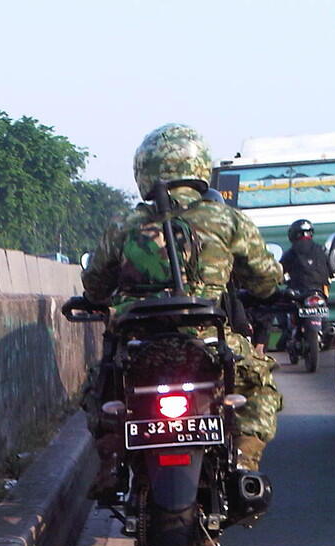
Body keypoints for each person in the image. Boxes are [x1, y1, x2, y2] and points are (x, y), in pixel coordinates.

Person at [81, 124, 284, 482]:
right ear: (200, 167)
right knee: (259, 386)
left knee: (103, 388)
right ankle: (243, 461)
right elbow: (266, 278)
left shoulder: (124, 223)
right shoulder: (227, 220)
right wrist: (270, 292)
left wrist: (101, 300)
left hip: (138, 344)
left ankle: (111, 462)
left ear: (144, 169)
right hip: (209, 339)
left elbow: (95, 284)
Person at [278, 219, 331, 349]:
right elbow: (331, 270)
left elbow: (280, 271)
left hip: (299, 292)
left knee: (280, 304)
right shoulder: (321, 250)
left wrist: (280, 279)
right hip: (320, 291)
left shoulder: (290, 252)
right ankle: (325, 330)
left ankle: (286, 332)